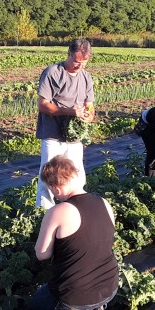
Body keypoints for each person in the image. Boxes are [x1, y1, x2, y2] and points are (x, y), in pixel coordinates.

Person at [27, 156, 118, 310]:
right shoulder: (104, 203)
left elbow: (42, 254)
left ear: (57, 189)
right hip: (110, 286)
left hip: (74, 295)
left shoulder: (59, 211)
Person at [35, 39, 95, 209]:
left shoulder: (86, 77)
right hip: (52, 133)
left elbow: (90, 106)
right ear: (68, 54)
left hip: (74, 137)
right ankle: (43, 211)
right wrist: (69, 111)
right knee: (48, 173)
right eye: (77, 61)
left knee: (76, 173)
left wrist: (88, 116)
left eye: (84, 62)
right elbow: (42, 104)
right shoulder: (53, 72)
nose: (80, 66)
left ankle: (74, 207)